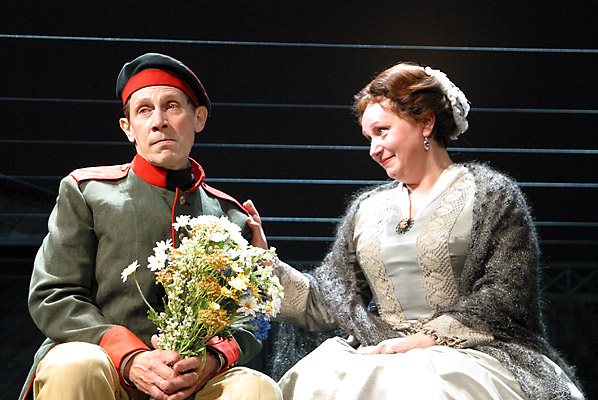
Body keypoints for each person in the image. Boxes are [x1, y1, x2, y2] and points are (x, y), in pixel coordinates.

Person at [258, 62, 585, 399]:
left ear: (426, 122)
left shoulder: (490, 195)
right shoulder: (367, 209)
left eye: (382, 131)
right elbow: (328, 300)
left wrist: (427, 339)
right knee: (315, 382)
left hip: (467, 355)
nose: (373, 149)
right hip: (380, 350)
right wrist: (262, 263)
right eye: (369, 138)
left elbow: (506, 292)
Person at [19, 53, 282, 400]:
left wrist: (212, 359)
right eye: (144, 110)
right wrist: (129, 357)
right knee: (76, 363)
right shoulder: (87, 192)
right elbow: (54, 295)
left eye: (172, 106)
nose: (159, 121)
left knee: (256, 387)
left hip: (192, 384)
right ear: (128, 127)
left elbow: (250, 316)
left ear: (198, 118)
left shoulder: (231, 217)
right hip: (105, 370)